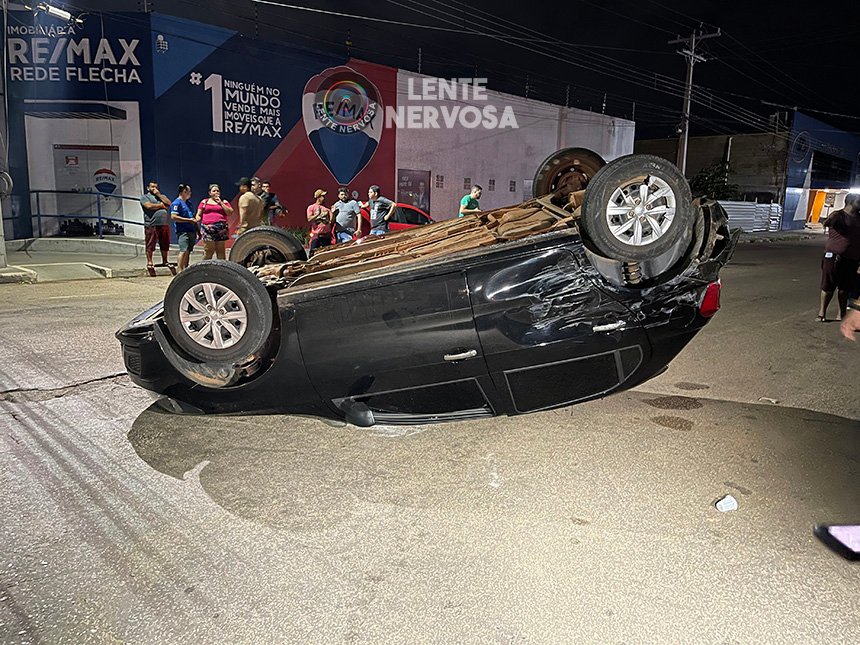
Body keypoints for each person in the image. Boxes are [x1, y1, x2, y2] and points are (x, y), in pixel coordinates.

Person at [817, 193, 860, 321]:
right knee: (828, 286)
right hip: (833, 256)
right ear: (851, 202)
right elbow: (826, 223)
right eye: (858, 201)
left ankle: (842, 314)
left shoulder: (859, 217)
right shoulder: (838, 215)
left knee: (844, 289)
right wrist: (829, 220)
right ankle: (822, 314)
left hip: (852, 258)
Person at [140, 180, 173, 276]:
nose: (154, 188)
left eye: (156, 187)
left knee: (165, 243)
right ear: (148, 188)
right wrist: (161, 206)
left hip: (164, 224)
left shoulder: (161, 196)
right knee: (150, 243)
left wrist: (159, 195)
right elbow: (148, 206)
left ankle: (165, 260)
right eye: (152, 187)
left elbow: (169, 203)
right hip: (151, 224)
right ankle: (150, 261)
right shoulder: (145, 197)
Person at [195, 184, 233, 260]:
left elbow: (230, 212)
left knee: (220, 250)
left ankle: (221, 266)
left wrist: (221, 203)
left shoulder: (224, 202)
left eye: (218, 191)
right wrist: (197, 220)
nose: (216, 192)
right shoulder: (204, 202)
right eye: (214, 191)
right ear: (210, 193)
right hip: (207, 228)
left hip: (221, 228)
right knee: (208, 250)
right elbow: (198, 214)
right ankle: (205, 266)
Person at [170, 183, 198, 272]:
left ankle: (185, 269)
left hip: (191, 230)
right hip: (183, 231)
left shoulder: (189, 203)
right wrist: (188, 220)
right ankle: (179, 269)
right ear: (184, 191)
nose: (190, 193)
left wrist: (197, 230)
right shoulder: (176, 203)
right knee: (183, 250)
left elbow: (193, 217)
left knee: (188, 251)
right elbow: (174, 217)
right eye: (189, 191)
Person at [306, 189, 333, 256]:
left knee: (327, 254)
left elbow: (331, 221)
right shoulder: (311, 207)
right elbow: (309, 219)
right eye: (322, 196)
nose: (324, 198)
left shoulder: (327, 208)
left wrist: (332, 213)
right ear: (318, 197)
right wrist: (317, 214)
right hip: (316, 235)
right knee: (313, 253)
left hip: (326, 235)